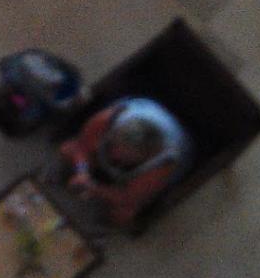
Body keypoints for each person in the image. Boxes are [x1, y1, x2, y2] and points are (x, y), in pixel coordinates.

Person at [56, 96, 191, 229]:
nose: (115, 157)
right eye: (113, 147)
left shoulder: (164, 163)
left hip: (157, 173)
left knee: (124, 213)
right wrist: (82, 170)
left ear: (147, 156)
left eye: (125, 158)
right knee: (67, 150)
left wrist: (94, 188)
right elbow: (82, 146)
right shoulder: (107, 119)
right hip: (140, 111)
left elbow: (128, 197)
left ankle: (99, 227)